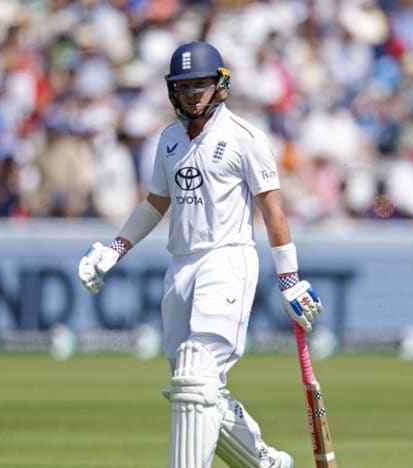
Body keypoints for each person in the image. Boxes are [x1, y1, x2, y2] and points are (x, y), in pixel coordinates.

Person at [78, 41, 323, 468]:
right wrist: (115, 249)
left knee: (197, 374)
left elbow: (273, 210)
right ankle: (266, 464)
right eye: (185, 85)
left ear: (219, 86)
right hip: (181, 264)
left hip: (227, 258)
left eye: (201, 84)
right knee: (198, 387)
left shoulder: (245, 138)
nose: (193, 93)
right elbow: (155, 202)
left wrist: (289, 278)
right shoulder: (169, 139)